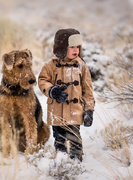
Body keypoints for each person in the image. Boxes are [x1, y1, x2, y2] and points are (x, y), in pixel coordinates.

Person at [38, 28, 95, 161]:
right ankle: (61, 161)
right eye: (71, 47)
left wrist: (89, 110)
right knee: (59, 140)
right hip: (56, 112)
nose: (76, 50)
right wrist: (52, 90)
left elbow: (88, 91)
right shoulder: (50, 65)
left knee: (74, 139)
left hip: (74, 112)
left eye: (77, 46)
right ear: (62, 48)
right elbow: (42, 81)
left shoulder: (81, 66)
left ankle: (76, 161)